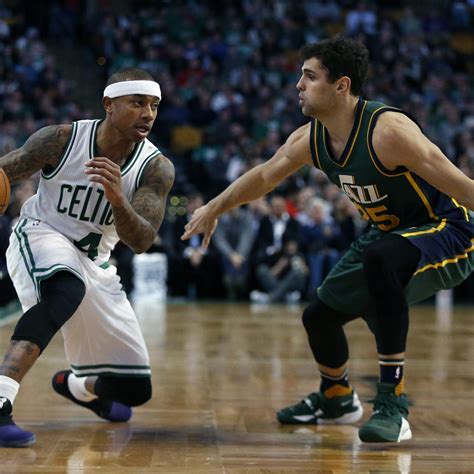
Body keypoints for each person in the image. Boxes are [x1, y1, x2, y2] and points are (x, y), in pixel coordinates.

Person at [181, 36, 474, 443]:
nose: (298, 85)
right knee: (319, 316)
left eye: (310, 76)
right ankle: (337, 398)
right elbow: (264, 177)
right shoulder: (311, 139)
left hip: (448, 229)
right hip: (387, 235)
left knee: (381, 261)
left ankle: (393, 404)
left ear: (341, 86)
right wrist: (213, 207)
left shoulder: (389, 132)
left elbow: (462, 187)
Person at [0, 67, 175, 447]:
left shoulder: (156, 167)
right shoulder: (61, 140)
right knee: (65, 289)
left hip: (96, 263)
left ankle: (75, 385)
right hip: (43, 232)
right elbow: (4, 171)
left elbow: (142, 240)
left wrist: (118, 201)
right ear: (109, 104)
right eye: (138, 103)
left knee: (134, 388)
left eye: (154, 105)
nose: (148, 113)